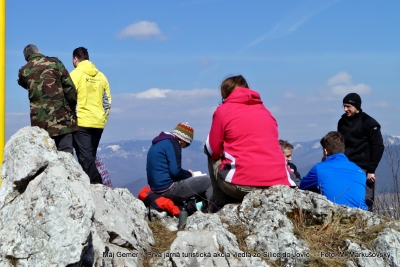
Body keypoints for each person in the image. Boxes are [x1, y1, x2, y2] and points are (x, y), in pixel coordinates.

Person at [205, 75, 295, 207]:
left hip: (241, 185)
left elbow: (213, 150)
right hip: (279, 184)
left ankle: (221, 206)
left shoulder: (222, 111)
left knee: (208, 149)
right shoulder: (266, 112)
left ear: (226, 94)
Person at [17, 44, 78, 154]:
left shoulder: (24, 71)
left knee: (46, 157)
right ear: (38, 51)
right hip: (61, 118)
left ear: (26, 58)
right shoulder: (55, 63)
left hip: (40, 124)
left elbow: (24, 84)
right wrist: (72, 108)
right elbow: (70, 88)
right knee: (66, 154)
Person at [70, 47, 112, 184]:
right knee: (90, 158)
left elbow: (69, 98)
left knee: (86, 159)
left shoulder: (75, 75)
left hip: (82, 123)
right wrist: (102, 120)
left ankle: (98, 186)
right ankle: (91, 188)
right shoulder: (101, 76)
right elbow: (107, 102)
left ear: (76, 59)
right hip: (98, 123)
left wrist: (73, 120)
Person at [146, 123, 213, 208]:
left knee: (196, 183)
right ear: (182, 141)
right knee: (207, 181)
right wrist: (190, 174)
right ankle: (213, 209)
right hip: (167, 189)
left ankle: (196, 207)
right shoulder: (173, 143)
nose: (183, 147)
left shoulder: (160, 142)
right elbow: (175, 171)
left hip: (156, 189)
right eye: (185, 145)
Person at [337, 93, 384, 211]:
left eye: (348, 106)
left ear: (356, 106)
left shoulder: (369, 123)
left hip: (364, 169)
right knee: (345, 201)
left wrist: (371, 170)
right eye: (344, 106)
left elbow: (378, 146)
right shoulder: (342, 122)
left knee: (366, 203)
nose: (345, 109)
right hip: (346, 167)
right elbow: (340, 144)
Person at [300, 131, 368, 210]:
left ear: (325, 151)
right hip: (362, 216)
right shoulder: (360, 171)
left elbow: (302, 187)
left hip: (334, 214)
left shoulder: (319, 169)